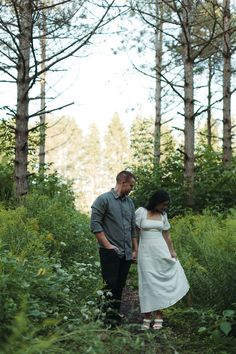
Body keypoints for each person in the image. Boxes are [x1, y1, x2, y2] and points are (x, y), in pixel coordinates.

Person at [135, 190, 189, 330]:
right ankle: (147, 316)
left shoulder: (163, 215)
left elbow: (167, 235)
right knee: (147, 282)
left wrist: (172, 251)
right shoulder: (140, 212)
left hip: (161, 250)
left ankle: (159, 315)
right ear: (157, 201)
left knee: (161, 283)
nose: (165, 207)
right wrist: (135, 249)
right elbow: (133, 233)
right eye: (163, 204)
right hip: (145, 252)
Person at [90, 170, 138, 327]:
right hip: (109, 251)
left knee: (119, 286)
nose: (132, 188)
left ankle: (113, 319)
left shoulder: (130, 203)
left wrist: (135, 249)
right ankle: (102, 319)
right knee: (109, 285)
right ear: (122, 182)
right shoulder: (103, 199)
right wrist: (108, 245)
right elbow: (95, 224)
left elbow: (132, 228)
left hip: (126, 253)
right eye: (131, 185)